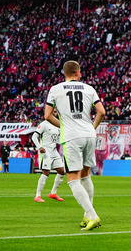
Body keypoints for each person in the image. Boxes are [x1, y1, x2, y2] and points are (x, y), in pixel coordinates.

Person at [44, 60, 105, 231]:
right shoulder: (89, 88)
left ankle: (92, 215)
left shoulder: (55, 89)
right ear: (79, 72)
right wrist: (92, 128)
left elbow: (47, 115)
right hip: (89, 135)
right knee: (86, 175)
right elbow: (102, 112)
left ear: (64, 74)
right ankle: (87, 216)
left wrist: (63, 125)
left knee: (72, 180)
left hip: (72, 137)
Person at [32, 109, 65, 203]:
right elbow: (34, 136)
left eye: (56, 112)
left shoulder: (58, 125)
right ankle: (37, 196)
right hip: (46, 152)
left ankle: (53, 193)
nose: (55, 113)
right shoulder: (44, 124)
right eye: (53, 112)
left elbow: (58, 140)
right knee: (46, 173)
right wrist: (39, 147)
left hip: (54, 151)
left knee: (61, 171)